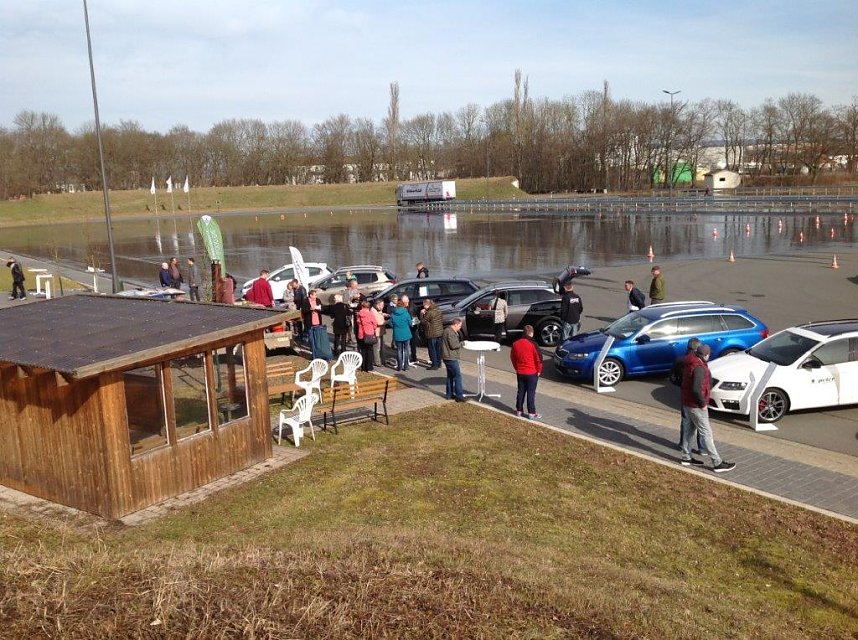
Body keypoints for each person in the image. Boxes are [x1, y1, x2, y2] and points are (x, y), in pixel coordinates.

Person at [680, 343, 736, 473]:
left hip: (686, 403)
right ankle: (717, 462)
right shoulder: (699, 367)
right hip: (696, 406)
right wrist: (702, 403)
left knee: (689, 431)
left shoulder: (690, 362)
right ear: (706, 355)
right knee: (707, 433)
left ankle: (686, 457)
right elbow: (696, 388)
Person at [670, 338, 708, 455]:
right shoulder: (700, 362)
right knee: (701, 423)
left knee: (685, 422)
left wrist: (681, 385)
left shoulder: (680, 359)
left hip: (685, 396)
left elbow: (672, 377)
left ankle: (683, 444)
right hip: (697, 397)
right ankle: (702, 448)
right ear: (697, 349)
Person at [510, 325, 543, 419]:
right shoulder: (533, 344)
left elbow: (513, 358)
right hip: (532, 372)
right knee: (531, 393)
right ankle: (531, 413)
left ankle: (519, 410)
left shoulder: (516, 344)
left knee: (521, 392)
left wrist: (517, 368)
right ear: (531, 333)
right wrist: (539, 370)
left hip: (520, 372)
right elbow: (538, 359)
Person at [442, 318, 466, 402]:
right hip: (451, 357)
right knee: (457, 376)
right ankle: (459, 396)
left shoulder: (447, 330)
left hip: (447, 356)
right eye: (459, 326)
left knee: (450, 376)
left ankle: (449, 394)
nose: (460, 328)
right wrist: (463, 343)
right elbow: (453, 345)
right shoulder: (450, 332)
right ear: (455, 325)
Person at [388, 299, 413, 371]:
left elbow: (391, 324)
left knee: (399, 350)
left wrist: (395, 327)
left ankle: (399, 366)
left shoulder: (393, 314)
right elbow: (410, 323)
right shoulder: (406, 313)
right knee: (406, 350)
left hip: (397, 334)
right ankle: (406, 366)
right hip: (406, 334)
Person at [301, 289, 326, 360]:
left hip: (318, 322)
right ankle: (314, 354)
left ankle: (319, 353)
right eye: (315, 295)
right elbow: (304, 311)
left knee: (318, 339)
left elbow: (322, 308)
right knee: (312, 339)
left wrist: (319, 308)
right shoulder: (305, 301)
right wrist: (310, 309)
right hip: (310, 323)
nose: (316, 296)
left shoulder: (317, 300)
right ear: (310, 295)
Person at [355, 299, 379, 372]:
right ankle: (369, 367)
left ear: (362, 306)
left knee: (363, 350)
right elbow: (375, 324)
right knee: (369, 350)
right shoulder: (370, 314)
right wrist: (372, 328)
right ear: (369, 307)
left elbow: (358, 323)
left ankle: (363, 366)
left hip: (361, 334)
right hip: (369, 334)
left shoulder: (359, 314)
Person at [420, 298, 444, 370]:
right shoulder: (438, 310)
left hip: (432, 333)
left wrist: (422, 314)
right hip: (439, 332)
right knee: (438, 349)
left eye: (424, 305)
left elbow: (423, 322)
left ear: (427, 305)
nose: (423, 307)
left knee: (432, 349)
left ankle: (434, 365)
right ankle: (439, 363)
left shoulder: (430, 312)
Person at [399, 294, 419, 365]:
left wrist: (414, 325)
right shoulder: (402, 307)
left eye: (406, 302)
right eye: (404, 303)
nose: (405, 304)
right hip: (406, 328)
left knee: (413, 344)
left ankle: (414, 357)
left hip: (412, 328)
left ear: (408, 300)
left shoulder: (413, 306)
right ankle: (406, 358)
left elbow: (416, 317)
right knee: (406, 344)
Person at [371, 298, 387, 366]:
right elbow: (378, 322)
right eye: (381, 305)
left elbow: (379, 314)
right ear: (376, 304)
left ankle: (382, 360)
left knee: (381, 347)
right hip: (377, 332)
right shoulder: (373, 311)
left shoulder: (377, 310)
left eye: (383, 305)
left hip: (380, 331)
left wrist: (383, 314)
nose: (382, 306)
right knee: (377, 347)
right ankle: (377, 362)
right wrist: (388, 321)